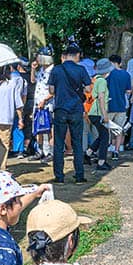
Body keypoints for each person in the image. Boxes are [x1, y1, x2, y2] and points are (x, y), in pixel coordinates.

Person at [47, 42, 91, 185]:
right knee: (77, 143)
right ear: (77, 55)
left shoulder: (56, 70)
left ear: (65, 56)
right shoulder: (81, 70)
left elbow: (51, 91)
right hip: (76, 109)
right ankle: (79, 176)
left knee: (58, 144)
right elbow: (89, 89)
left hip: (60, 109)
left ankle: (59, 177)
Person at [0, 63, 25, 173]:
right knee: (4, 146)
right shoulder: (11, 85)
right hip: (6, 118)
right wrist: (21, 119)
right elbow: (18, 104)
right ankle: (1, 170)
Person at [104, 55, 132, 155]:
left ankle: (106, 148)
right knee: (119, 129)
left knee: (106, 128)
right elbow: (129, 90)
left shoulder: (108, 74)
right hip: (121, 105)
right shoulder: (126, 74)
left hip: (109, 105)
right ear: (120, 63)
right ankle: (117, 150)